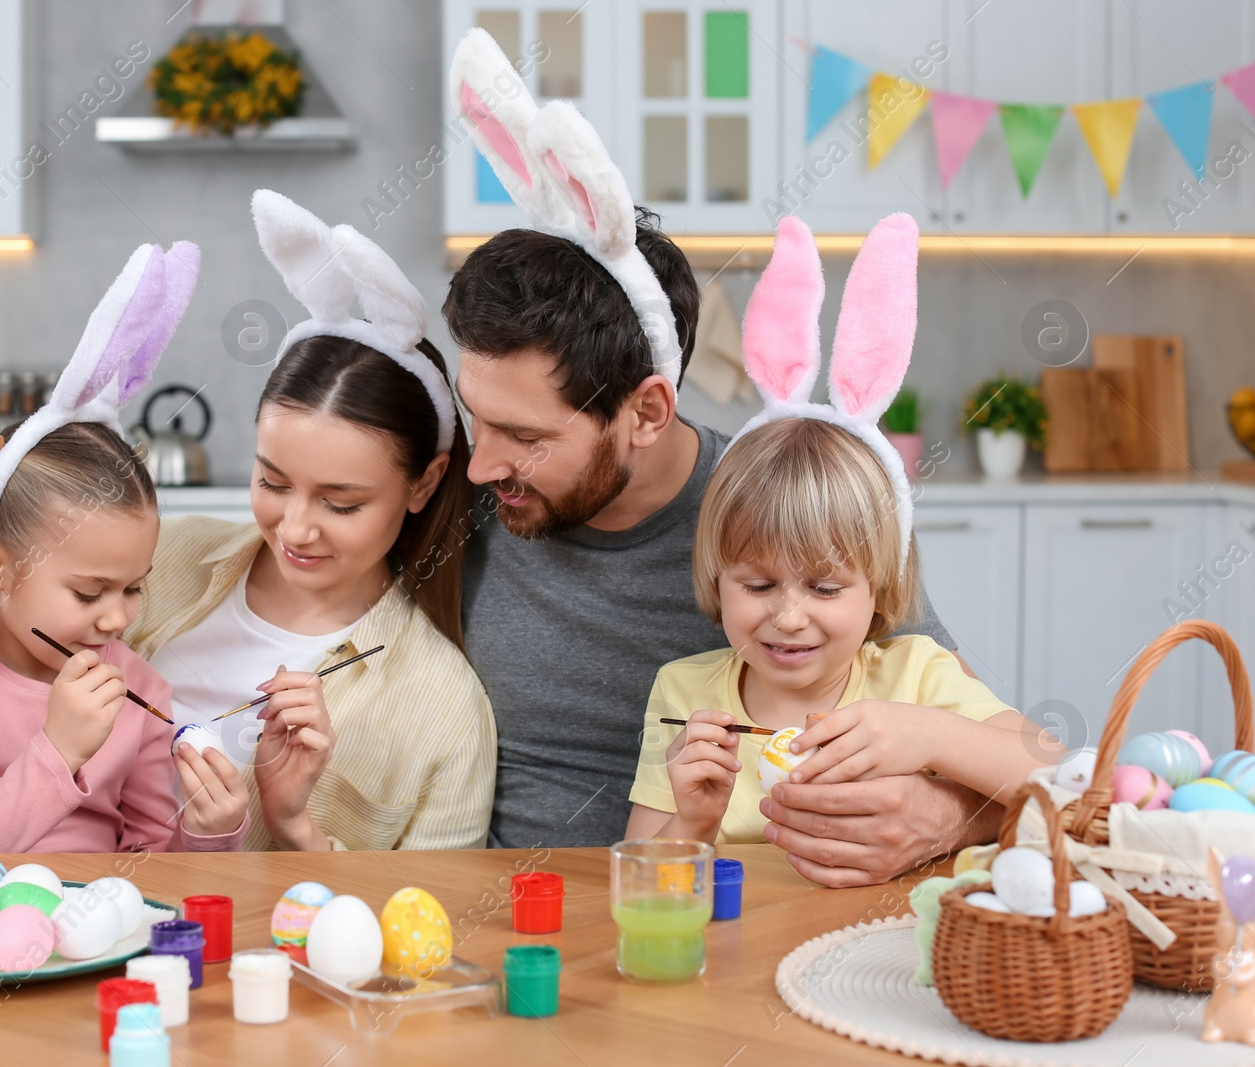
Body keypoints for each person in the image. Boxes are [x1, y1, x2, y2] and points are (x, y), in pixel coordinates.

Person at [442, 27, 999, 885]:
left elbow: (996, 756)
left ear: (646, 412)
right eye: (477, 420)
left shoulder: (780, 502)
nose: (481, 466)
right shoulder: (464, 490)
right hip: (530, 916)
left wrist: (941, 819)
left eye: (526, 437)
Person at [627, 216, 1046, 848]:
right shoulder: (684, 692)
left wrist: (930, 734)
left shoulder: (918, 676)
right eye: (759, 583)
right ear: (718, 578)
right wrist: (692, 822)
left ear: (879, 588)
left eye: (824, 588)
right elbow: (639, 875)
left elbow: (1065, 779)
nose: (789, 618)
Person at [0, 242, 251, 854]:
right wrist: (57, 752)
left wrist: (205, 832)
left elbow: (154, 869)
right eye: (90, 592)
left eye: (135, 586)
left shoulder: (139, 688)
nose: (117, 619)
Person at [124, 190, 495, 852]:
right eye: (271, 481)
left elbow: (433, 928)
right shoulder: (157, 559)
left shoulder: (442, 706)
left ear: (425, 482)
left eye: (340, 502)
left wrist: (296, 825)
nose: (294, 528)